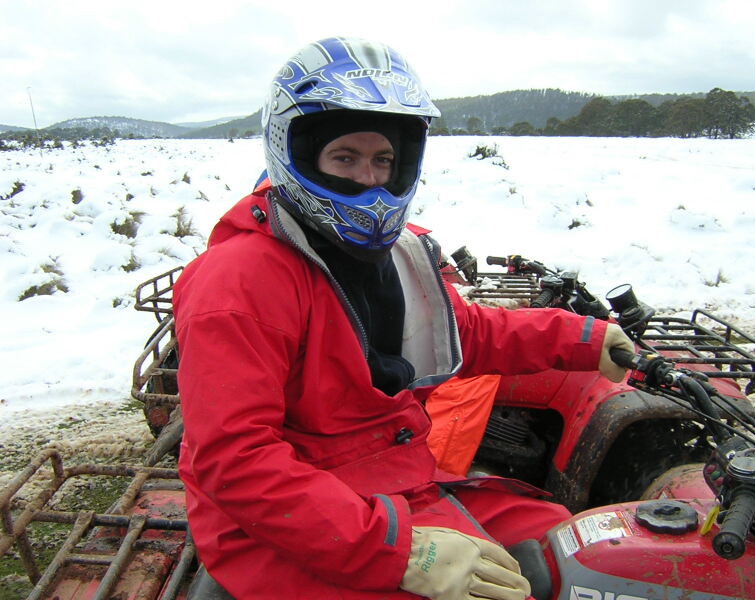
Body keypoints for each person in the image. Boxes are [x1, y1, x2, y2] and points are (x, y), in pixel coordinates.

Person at [173, 36, 634, 600]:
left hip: (392, 477)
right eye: (345, 157)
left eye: (383, 159)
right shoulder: (240, 281)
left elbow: (461, 335)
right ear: (297, 153)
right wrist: (395, 551)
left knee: (577, 555)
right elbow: (236, 460)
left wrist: (585, 339)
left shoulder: (395, 254)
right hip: (285, 527)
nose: (369, 180)